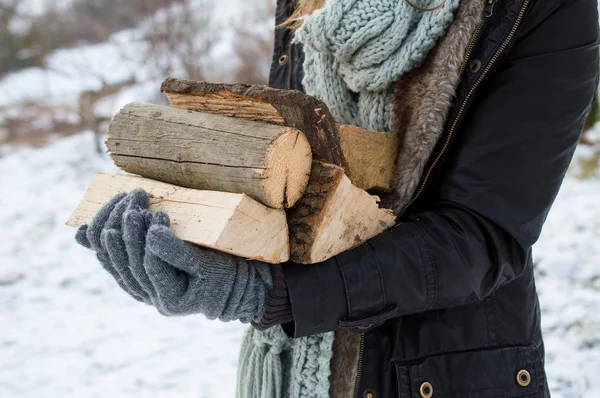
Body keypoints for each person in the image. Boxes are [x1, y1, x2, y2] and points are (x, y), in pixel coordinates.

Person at [75, 0, 600, 397]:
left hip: (441, 375)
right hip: (292, 368)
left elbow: (484, 234)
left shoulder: (540, 9)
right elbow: (298, 184)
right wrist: (204, 247)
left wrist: (268, 296)